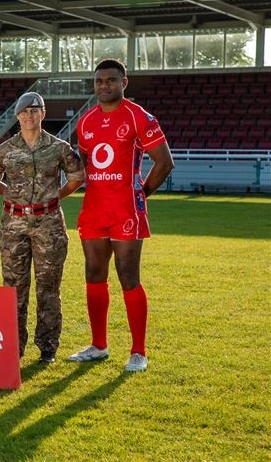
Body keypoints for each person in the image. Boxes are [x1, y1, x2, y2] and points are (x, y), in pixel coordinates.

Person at [68, 58, 174, 372]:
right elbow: (85, 168)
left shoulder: (139, 116)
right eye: (99, 81)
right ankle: (99, 346)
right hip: (94, 209)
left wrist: (141, 194)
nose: (104, 86)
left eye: (111, 81)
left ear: (123, 83)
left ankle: (138, 352)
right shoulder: (85, 122)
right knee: (93, 274)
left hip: (126, 209)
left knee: (128, 278)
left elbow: (164, 163)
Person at [0, 92, 85, 364]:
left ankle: (48, 348)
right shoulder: (6, 149)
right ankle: (13, 346)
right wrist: (12, 195)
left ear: (43, 113)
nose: (29, 116)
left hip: (49, 224)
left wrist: (55, 196)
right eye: (24, 111)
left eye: (35, 110)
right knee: (13, 289)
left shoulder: (59, 147)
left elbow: (77, 176)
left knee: (48, 288)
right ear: (17, 116)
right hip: (13, 225)